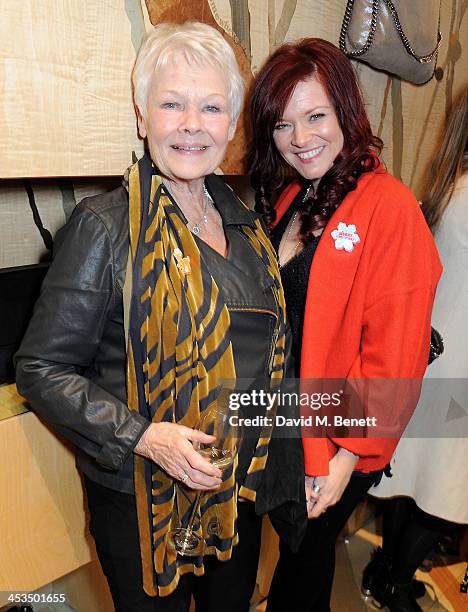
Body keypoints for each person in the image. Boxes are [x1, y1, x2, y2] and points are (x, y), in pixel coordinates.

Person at [15, 22, 288, 612]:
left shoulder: (247, 229)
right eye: (172, 103)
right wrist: (146, 437)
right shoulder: (105, 227)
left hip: (233, 489)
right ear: (143, 118)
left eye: (212, 107)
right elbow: (41, 367)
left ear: (231, 124)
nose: (193, 123)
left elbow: (265, 362)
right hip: (142, 498)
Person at [247, 37, 442, 611]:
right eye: (282, 124)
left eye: (315, 116)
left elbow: (397, 349)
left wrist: (347, 457)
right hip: (282, 412)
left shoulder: (388, 205)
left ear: (346, 112)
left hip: (336, 432)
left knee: (305, 560)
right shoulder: (292, 193)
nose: (300, 139)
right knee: (297, 550)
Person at [365, 87, 468, 612]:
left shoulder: (452, 187)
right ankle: (396, 581)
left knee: (416, 476)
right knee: (446, 489)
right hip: (457, 366)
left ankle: (386, 570)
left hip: (434, 358)